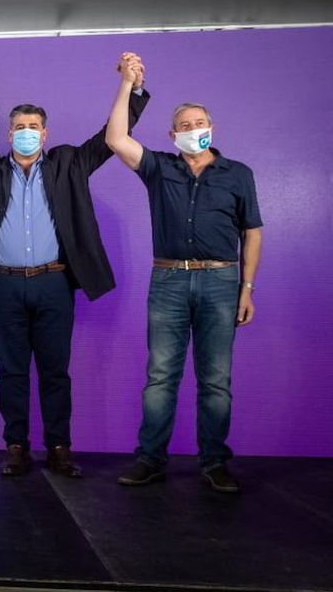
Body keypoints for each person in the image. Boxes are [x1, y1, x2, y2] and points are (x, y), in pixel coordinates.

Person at [0, 64, 150, 478]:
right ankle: (17, 446)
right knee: (12, 372)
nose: (27, 131)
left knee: (55, 371)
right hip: (4, 285)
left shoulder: (69, 163)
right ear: (9, 135)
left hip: (54, 283)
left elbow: (109, 138)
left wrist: (131, 86)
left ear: (45, 133)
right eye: (20, 126)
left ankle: (59, 447)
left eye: (34, 125)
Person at [106, 52, 262, 494]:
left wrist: (247, 288)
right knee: (161, 377)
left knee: (215, 380)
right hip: (169, 281)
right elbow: (117, 137)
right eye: (187, 125)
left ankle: (214, 462)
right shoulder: (160, 168)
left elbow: (252, 232)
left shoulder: (238, 174)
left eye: (201, 123)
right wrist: (127, 84)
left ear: (212, 127)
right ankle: (150, 459)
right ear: (174, 135)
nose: (195, 130)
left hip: (221, 282)